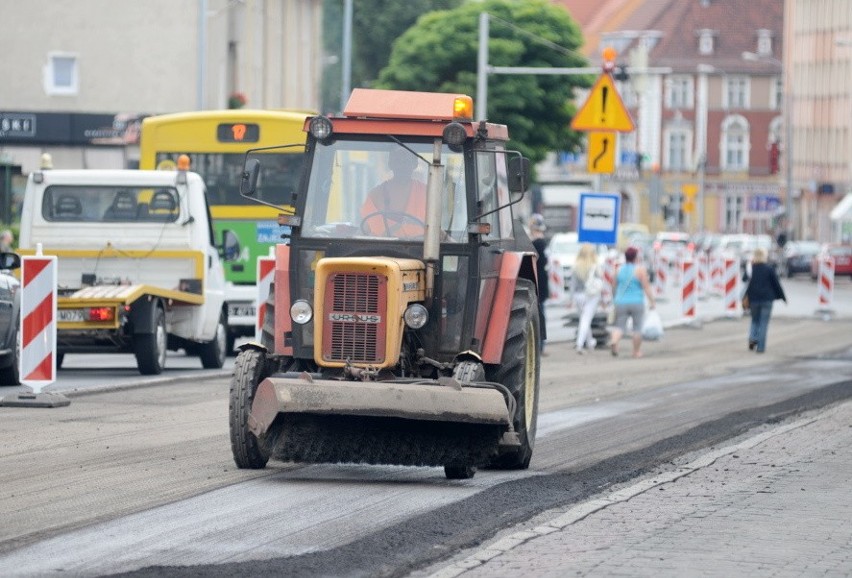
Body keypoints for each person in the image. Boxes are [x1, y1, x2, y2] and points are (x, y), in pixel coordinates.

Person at [360, 148, 426, 237]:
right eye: (398, 161)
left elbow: (438, 229)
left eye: (406, 160)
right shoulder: (375, 195)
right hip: (381, 249)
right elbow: (365, 231)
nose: (402, 165)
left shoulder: (428, 193)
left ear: (415, 164)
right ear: (390, 164)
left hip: (422, 249)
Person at [609, 246, 656, 358]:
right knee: (637, 328)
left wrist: (615, 298)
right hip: (636, 302)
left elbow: (613, 286)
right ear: (636, 257)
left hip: (620, 302)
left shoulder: (618, 270)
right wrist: (652, 301)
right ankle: (636, 351)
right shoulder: (640, 270)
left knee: (620, 326)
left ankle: (614, 341)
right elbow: (646, 287)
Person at [743, 247, 787, 353]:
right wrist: (783, 297)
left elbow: (745, 281)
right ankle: (761, 348)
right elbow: (776, 284)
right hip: (767, 300)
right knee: (763, 323)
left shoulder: (751, 269)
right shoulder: (769, 269)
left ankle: (752, 344)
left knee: (754, 321)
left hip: (753, 300)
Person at [570, 243, 603, 354]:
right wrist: (603, 299)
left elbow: (572, 285)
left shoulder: (576, 266)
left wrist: (570, 299)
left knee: (584, 319)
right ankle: (579, 344)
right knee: (586, 319)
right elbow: (600, 284)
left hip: (578, 295)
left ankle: (590, 342)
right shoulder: (595, 266)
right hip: (592, 295)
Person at [528, 214, 549, 355]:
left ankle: (539, 345)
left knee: (538, 315)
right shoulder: (543, 244)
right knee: (541, 314)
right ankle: (540, 345)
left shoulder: (537, 244)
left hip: (537, 284)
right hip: (541, 283)